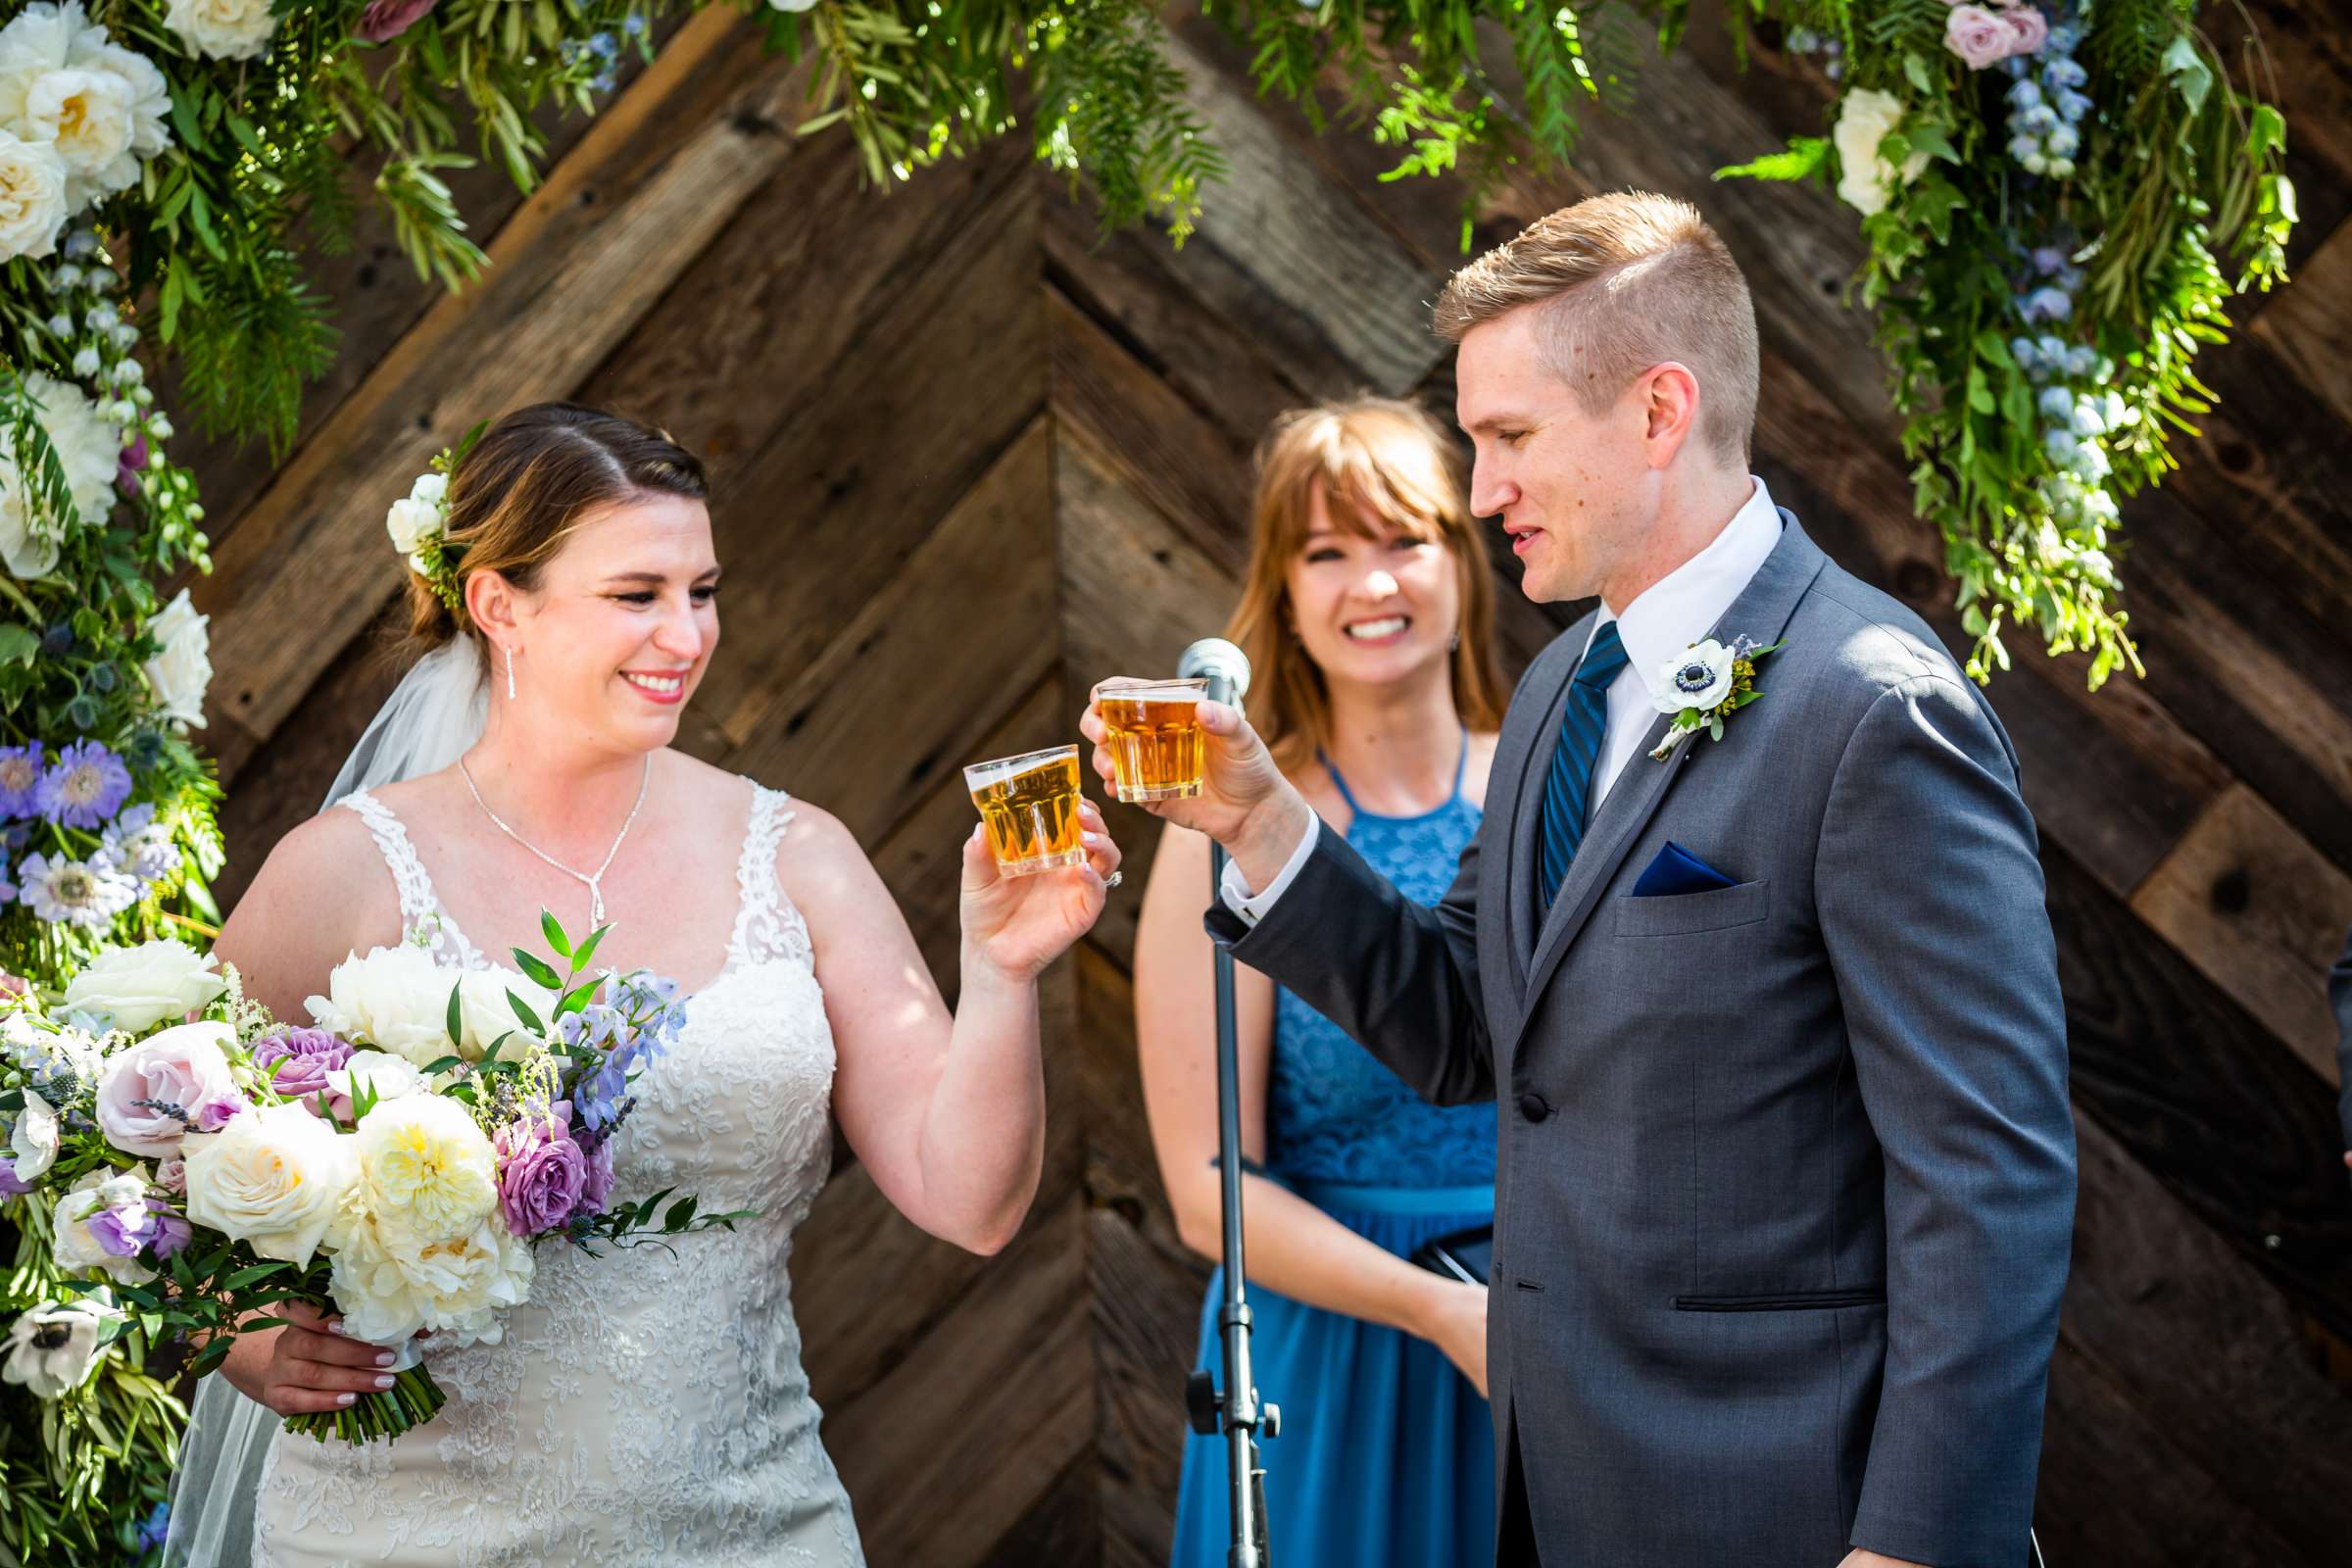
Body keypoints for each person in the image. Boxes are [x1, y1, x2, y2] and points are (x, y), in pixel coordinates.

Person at [1085, 193, 2077, 1568]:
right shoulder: (1562, 686)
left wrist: (1912, 1547)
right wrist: (1261, 825)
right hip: (1557, 1498)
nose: (1483, 489)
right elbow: (1472, 1028)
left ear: (1660, 413)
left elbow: (1991, 1173)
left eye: (1510, 438)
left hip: (1792, 1506)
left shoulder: (1871, 707)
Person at [193, 404, 1118, 1566]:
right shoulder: (347, 870)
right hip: (402, 1533)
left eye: (703, 590)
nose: (685, 633)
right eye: (637, 594)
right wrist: (243, 1333)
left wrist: (1001, 971)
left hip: (750, 1527)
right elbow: (166, 1135)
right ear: (498, 605)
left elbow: (970, 1200)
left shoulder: (798, 855)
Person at [1137, 399, 1510, 1566]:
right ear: (1285, 595)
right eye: (1328, 553)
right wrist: (1443, 1309)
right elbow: (1208, 1189)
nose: (1372, 583)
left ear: (1463, 562)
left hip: (1555, 1336)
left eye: (1405, 540)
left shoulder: (1552, 787)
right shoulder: (1226, 827)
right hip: (1334, 1358)